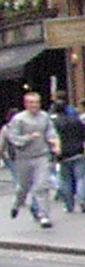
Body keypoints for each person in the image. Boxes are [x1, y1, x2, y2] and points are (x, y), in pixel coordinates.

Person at [3, 89, 57, 229]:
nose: (35, 105)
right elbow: (13, 138)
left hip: (41, 156)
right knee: (23, 187)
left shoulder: (44, 117)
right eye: (32, 103)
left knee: (41, 186)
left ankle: (44, 216)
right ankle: (17, 204)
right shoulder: (19, 119)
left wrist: (53, 141)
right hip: (24, 158)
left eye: (37, 102)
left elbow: (50, 131)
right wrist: (28, 138)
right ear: (26, 104)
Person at [52, 101, 85, 214]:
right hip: (78, 152)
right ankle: (81, 200)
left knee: (66, 180)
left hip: (63, 155)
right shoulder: (76, 120)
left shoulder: (54, 123)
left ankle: (69, 205)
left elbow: (52, 138)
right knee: (80, 178)